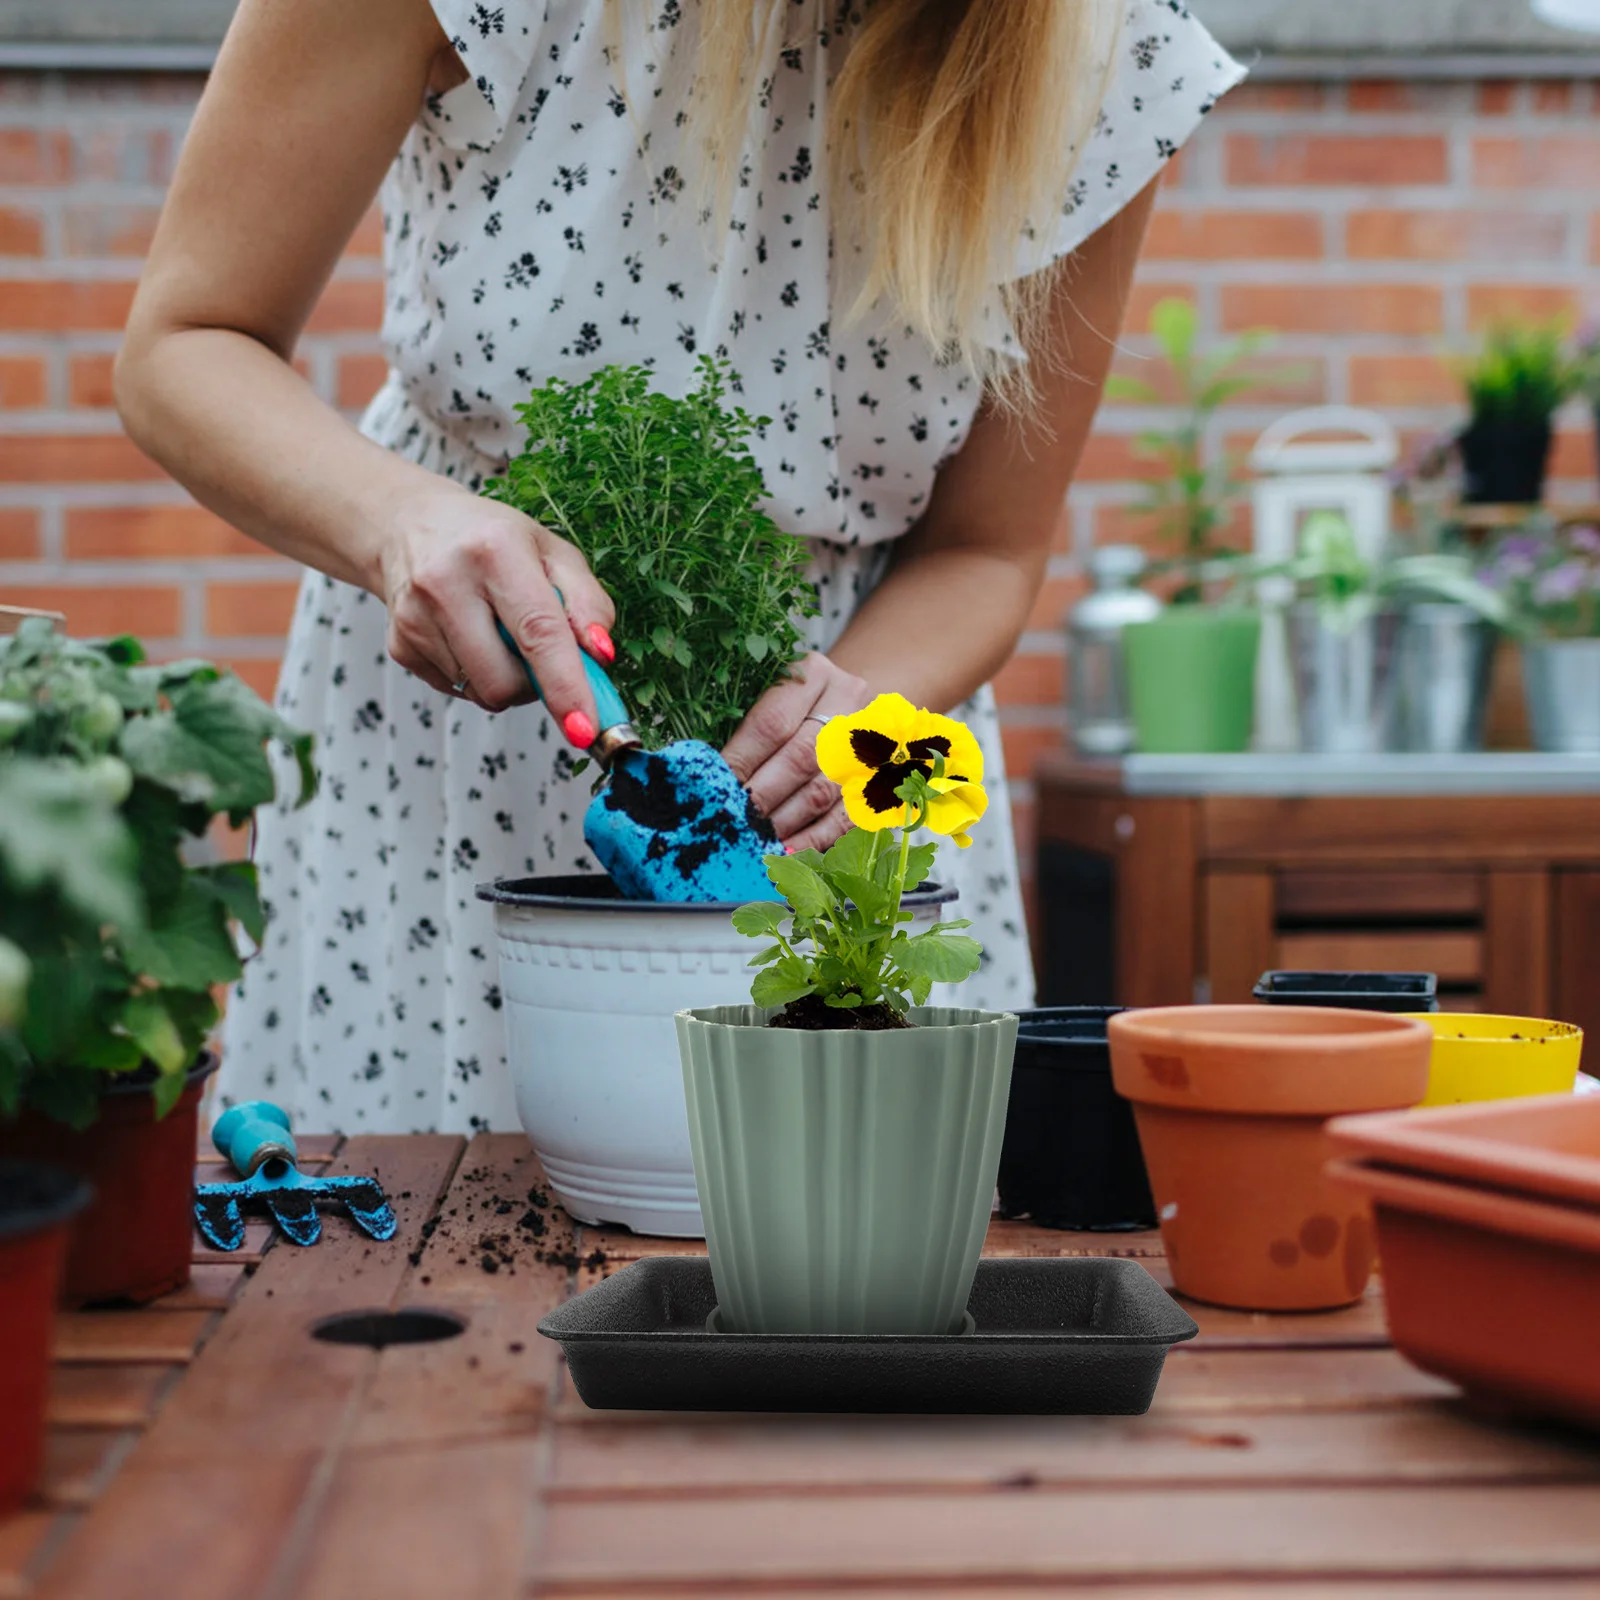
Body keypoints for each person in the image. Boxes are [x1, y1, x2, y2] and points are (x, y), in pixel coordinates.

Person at [114, 0, 1245, 1133]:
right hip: (456, 752)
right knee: (424, 1256)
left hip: (840, 792)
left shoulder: (1101, 50)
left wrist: (853, 722)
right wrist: (401, 523)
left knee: (853, 1244)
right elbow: (186, 342)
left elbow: (986, 548)